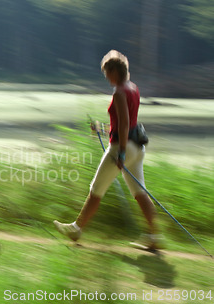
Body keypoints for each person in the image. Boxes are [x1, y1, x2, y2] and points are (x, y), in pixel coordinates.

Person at [53, 50, 163, 250]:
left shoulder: (120, 92)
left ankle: (76, 229)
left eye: (106, 72)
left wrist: (120, 153)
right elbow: (126, 123)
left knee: (96, 189)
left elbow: (124, 124)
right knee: (140, 192)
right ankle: (155, 236)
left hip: (123, 148)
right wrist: (102, 129)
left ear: (114, 71)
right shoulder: (133, 88)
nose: (105, 76)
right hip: (137, 146)